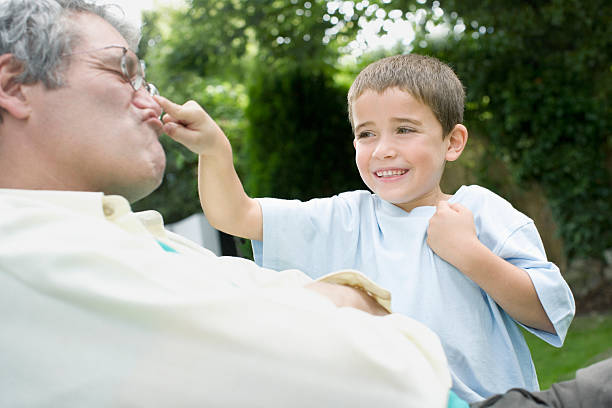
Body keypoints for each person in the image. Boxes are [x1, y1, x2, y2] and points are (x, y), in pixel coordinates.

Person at [0, 1, 453, 406]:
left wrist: (334, 306)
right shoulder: (37, 255)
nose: (152, 100)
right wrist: (359, 309)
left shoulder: (118, 231)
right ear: (15, 87)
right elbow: (392, 385)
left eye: (145, 78)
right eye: (122, 71)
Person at [178, 53, 576, 401]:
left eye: (404, 129)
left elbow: (549, 312)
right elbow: (235, 216)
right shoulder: (345, 218)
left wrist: (470, 254)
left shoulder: (482, 211)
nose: (383, 148)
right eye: (366, 133)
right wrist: (214, 149)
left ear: (452, 142)